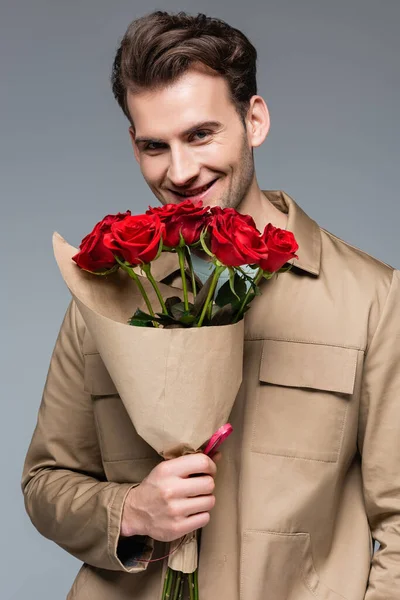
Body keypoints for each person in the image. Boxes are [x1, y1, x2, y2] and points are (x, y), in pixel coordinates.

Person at [21, 10, 400, 600]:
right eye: (154, 145)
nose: (180, 171)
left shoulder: (373, 299)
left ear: (255, 120)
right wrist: (131, 511)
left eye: (200, 134)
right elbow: (45, 483)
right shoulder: (103, 291)